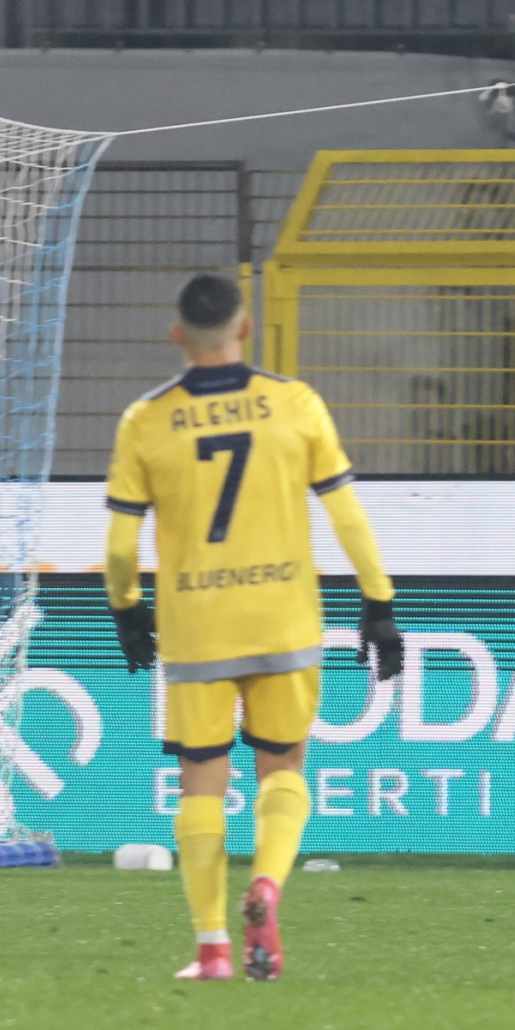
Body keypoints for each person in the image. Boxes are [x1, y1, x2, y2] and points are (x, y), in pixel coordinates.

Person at [104, 272, 404, 982]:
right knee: (283, 769)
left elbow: (119, 547)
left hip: (198, 628)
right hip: (283, 620)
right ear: (245, 329)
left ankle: (211, 949)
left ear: (177, 336)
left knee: (201, 785)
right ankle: (267, 885)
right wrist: (379, 603)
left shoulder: (146, 420)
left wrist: (126, 608)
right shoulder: (295, 405)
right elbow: (347, 514)